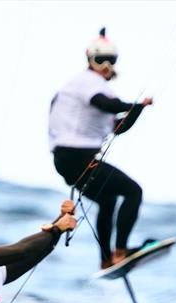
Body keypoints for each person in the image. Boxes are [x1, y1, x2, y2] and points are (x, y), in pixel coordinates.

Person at [48, 28, 154, 269]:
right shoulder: (87, 81)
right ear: (89, 60)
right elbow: (106, 104)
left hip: (69, 161)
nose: (105, 65)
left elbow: (117, 127)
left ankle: (106, 259)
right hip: (76, 157)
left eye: (111, 60)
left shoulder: (94, 88)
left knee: (107, 200)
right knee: (133, 191)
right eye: (99, 60)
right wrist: (132, 104)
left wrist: (138, 109)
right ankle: (120, 252)